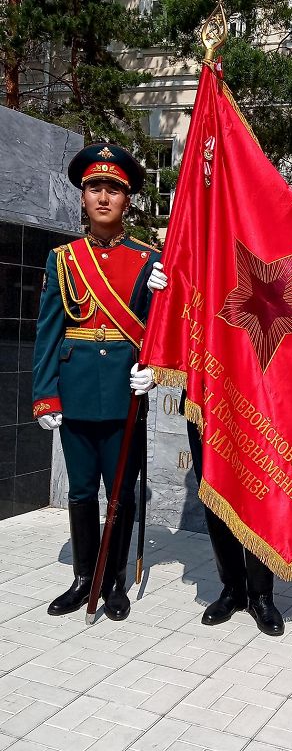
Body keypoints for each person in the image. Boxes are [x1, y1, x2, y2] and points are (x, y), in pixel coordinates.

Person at [33, 143, 158, 621]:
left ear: (127, 199)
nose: (103, 198)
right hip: (77, 389)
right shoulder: (63, 259)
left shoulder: (148, 260)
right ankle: (84, 577)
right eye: (95, 189)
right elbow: (48, 331)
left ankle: (116, 581)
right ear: (83, 197)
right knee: (81, 491)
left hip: (126, 391)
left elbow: (160, 330)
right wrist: (45, 395)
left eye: (113, 189)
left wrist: (155, 368)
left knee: (121, 493)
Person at [146, 267, 285, 636]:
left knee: (255, 495)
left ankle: (261, 595)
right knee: (214, 495)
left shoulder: (263, 254)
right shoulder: (203, 258)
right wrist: (158, 288)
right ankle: (232, 589)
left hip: (256, 397)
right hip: (206, 395)